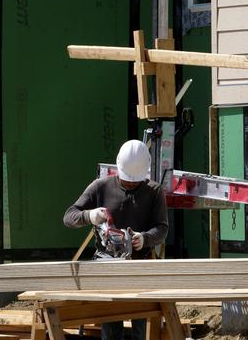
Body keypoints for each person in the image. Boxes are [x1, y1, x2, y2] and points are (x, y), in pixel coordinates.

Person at [62, 139, 169, 340]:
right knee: (110, 328)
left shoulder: (153, 192)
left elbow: (162, 229)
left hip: (141, 269)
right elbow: (69, 217)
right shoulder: (101, 187)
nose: (129, 183)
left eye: (134, 181)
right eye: (126, 179)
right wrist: (89, 216)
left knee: (142, 330)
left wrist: (144, 239)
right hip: (106, 268)